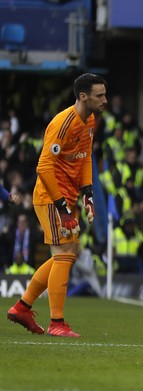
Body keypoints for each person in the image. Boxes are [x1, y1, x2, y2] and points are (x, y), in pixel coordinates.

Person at [6, 73, 107, 338]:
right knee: (64, 253)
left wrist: (87, 193)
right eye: (100, 95)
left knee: (67, 254)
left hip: (68, 196)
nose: (104, 100)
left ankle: (22, 307)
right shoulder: (62, 123)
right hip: (52, 197)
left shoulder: (90, 121)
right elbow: (43, 166)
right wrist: (62, 205)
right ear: (83, 97)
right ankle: (57, 322)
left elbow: (85, 159)